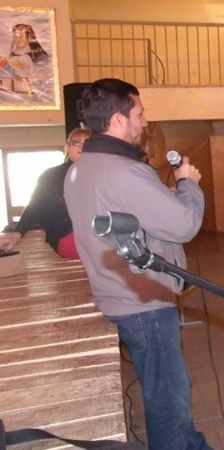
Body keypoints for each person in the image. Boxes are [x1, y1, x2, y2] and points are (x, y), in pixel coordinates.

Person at [63, 78, 210, 450]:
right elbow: (183, 224)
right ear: (117, 120)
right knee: (167, 395)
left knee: (163, 385)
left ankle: (190, 443)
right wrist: (187, 184)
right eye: (139, 114)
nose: (144, 122)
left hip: (116, 293)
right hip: (144, 302)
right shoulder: (123, 172)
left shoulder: (81, 168)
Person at [0, 128, 89, 258]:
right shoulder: (52, 175)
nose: (82, 146)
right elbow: (36, 204)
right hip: (68, 235)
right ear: (68, 147)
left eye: (87, 143)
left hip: (98, 235)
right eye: (76, 142)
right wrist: (17, 232)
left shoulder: (100, 173)